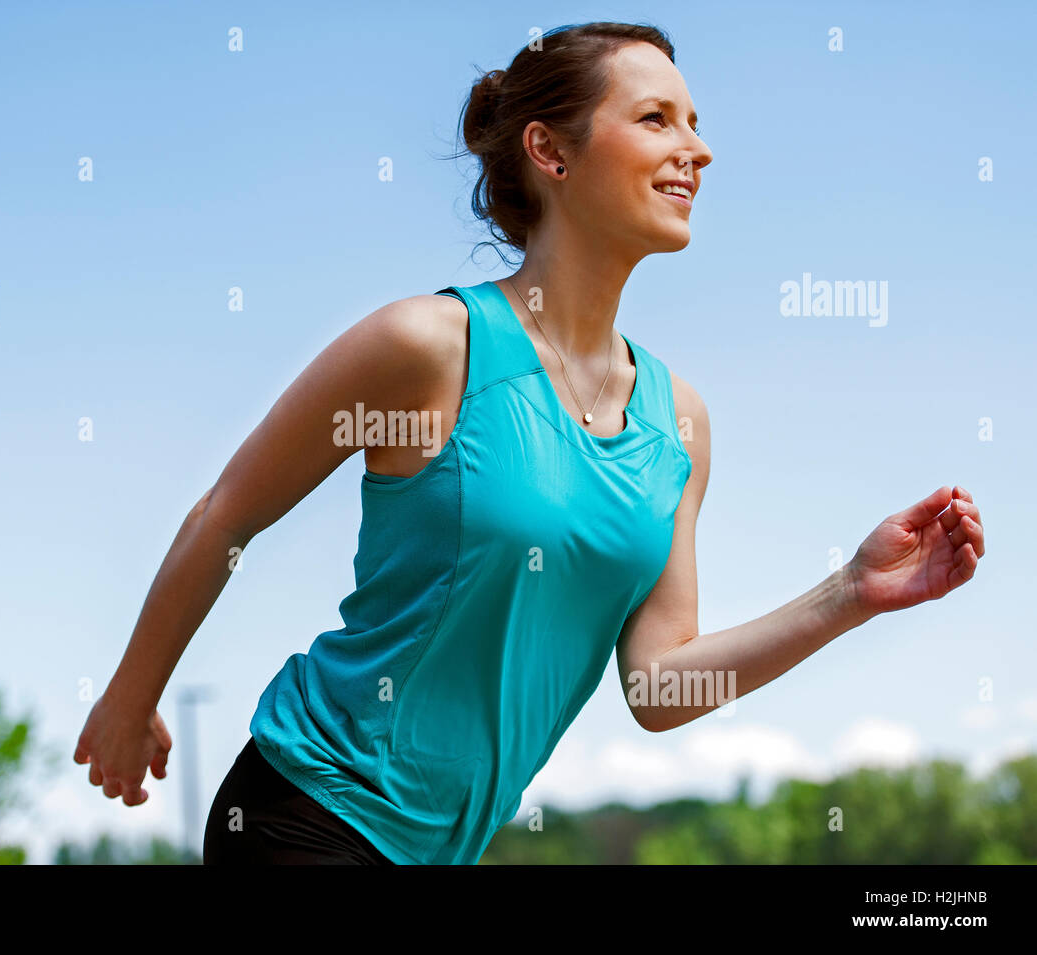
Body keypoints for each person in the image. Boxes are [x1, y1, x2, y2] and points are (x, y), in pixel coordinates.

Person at [73, 21, 985, 865]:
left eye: (696, 123)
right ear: (549, 150)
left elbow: (659, 689)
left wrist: (851, 592)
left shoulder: (679, 424)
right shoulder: (430, 346)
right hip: (307, 807)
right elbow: (228, 511)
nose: (697, 149)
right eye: (656, 118)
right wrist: (131, 692)